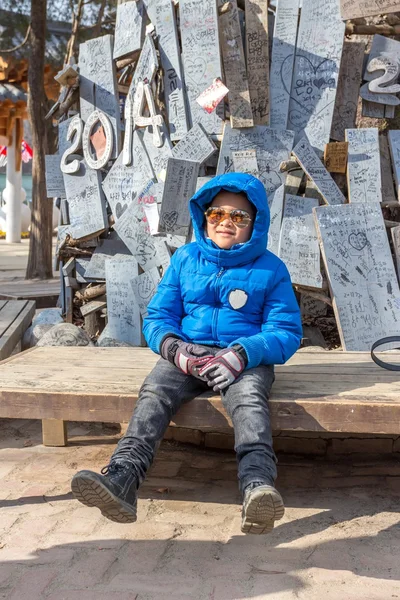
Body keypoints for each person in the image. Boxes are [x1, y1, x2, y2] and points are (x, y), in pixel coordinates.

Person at [71, 172, 302, 534]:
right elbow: (159, 316)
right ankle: (123, 479)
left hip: (244, 357)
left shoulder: (271, 269)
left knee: (249, 401)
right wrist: (175, 350)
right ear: (203, 217)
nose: (226, 222)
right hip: (187, 352)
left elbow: (286, 331)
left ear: (256, 222)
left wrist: (242, 354)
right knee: (154, 392)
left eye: (239, 217)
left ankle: (257, 487)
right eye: (216, 214)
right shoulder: (186, 260)